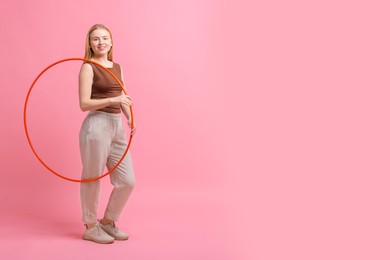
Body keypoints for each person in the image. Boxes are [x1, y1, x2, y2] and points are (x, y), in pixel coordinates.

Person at [78, 24, 136, 244]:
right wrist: (115, 101)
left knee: (127, 181)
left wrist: (129, 117)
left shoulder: (117, 67)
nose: (101, 42)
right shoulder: (88, 67)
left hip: (117, 126)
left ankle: (107, 221)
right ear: (90, 44)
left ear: (111, 42)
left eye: (105, 38)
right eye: (95, 39)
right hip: (96, 124)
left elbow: (122, 93)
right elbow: (84, 104)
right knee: (92, 177)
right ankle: (90, 226)